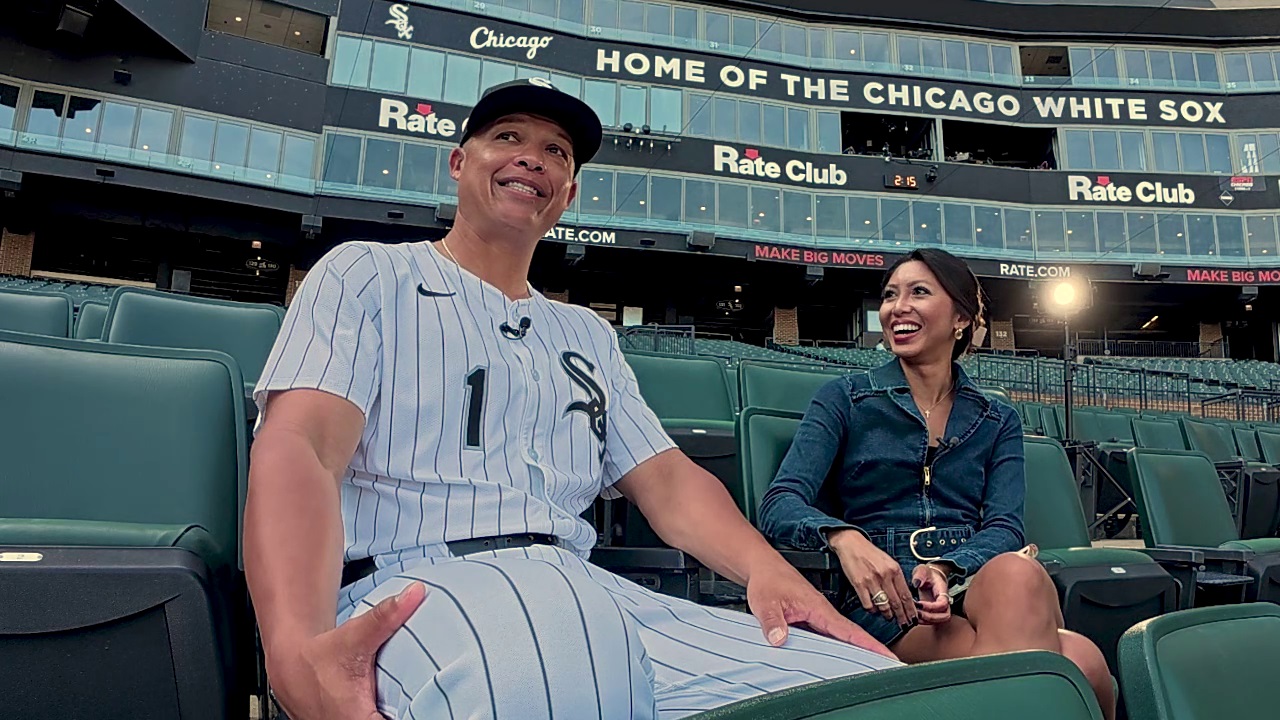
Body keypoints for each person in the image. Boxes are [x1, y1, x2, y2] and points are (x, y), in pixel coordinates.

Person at [244, 78, 898, 720]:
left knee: (877, 689)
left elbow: (666, 480)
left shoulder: (586, 332)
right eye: (507, 137)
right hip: (412, 589)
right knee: (553, 648)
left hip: (586, 593)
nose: (533, 156)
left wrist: (765, 568)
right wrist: (294, 654)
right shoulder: (367, 274)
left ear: (568, 193)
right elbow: (302, 448)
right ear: (458, 161)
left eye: (556, 151)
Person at [758, 248, 1115, 720]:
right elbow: (780, 503)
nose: (896, 308)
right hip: (892, 602)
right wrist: (844, 538)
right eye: (889, 295)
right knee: (1084, 664)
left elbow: (1005, 527)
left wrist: (948, 568)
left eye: (918, 292)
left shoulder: (997, 418)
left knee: (1017, 572)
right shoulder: (845, 398)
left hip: (971, 580)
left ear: (961, 318)